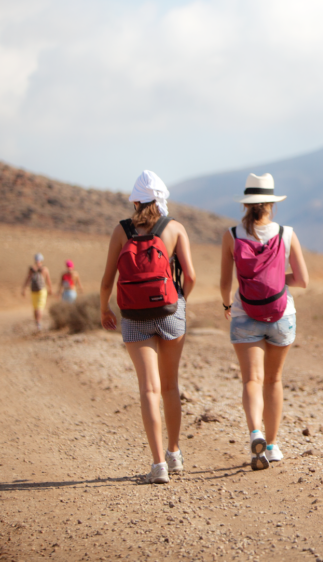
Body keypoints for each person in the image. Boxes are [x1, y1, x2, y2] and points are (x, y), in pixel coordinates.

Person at [99, 171, 196, 485]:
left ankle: (158, 466)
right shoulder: (174, 229)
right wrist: (179, 301)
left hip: (133, 316)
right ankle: (175, 453)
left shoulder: (121, 230)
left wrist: (104, 308)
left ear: (135, 200)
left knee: (148, 389)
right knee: (170, 386)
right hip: (170, 311)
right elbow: (191, 277)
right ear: (161, 199)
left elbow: (106, 280)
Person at [221, 173, 308, 470]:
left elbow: (224, 283)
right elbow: (302, 280)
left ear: (246, 204)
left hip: (245, 313)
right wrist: (274, 280)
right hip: (282, 314)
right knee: (274, 380)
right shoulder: (287, 233)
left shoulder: (232, 235)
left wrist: (226, 303)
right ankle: (271, 446)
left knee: (251, 380)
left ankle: (254, 432)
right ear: (272, 203)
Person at [21, 253, 52, 331]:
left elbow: (27, 279)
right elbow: (48, 280)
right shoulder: (44, 269)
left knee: (35, 307)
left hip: (33, 290)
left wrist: (24, 288)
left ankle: (37, 322)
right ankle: (38, 323)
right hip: (42, 290)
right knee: (39, 307)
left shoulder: (32, 269)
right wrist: (50, 289)